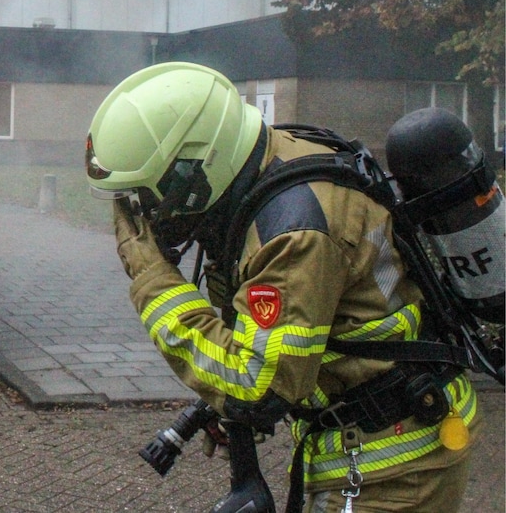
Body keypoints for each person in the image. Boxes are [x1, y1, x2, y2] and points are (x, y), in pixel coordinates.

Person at [85, 62, 479, 512]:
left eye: (146, 197)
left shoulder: (292, 236)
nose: (147, 216)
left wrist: (152, 279)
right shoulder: (267, 165)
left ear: (195, 170)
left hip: (393, 464)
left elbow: (255, 389)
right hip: (386, 434)